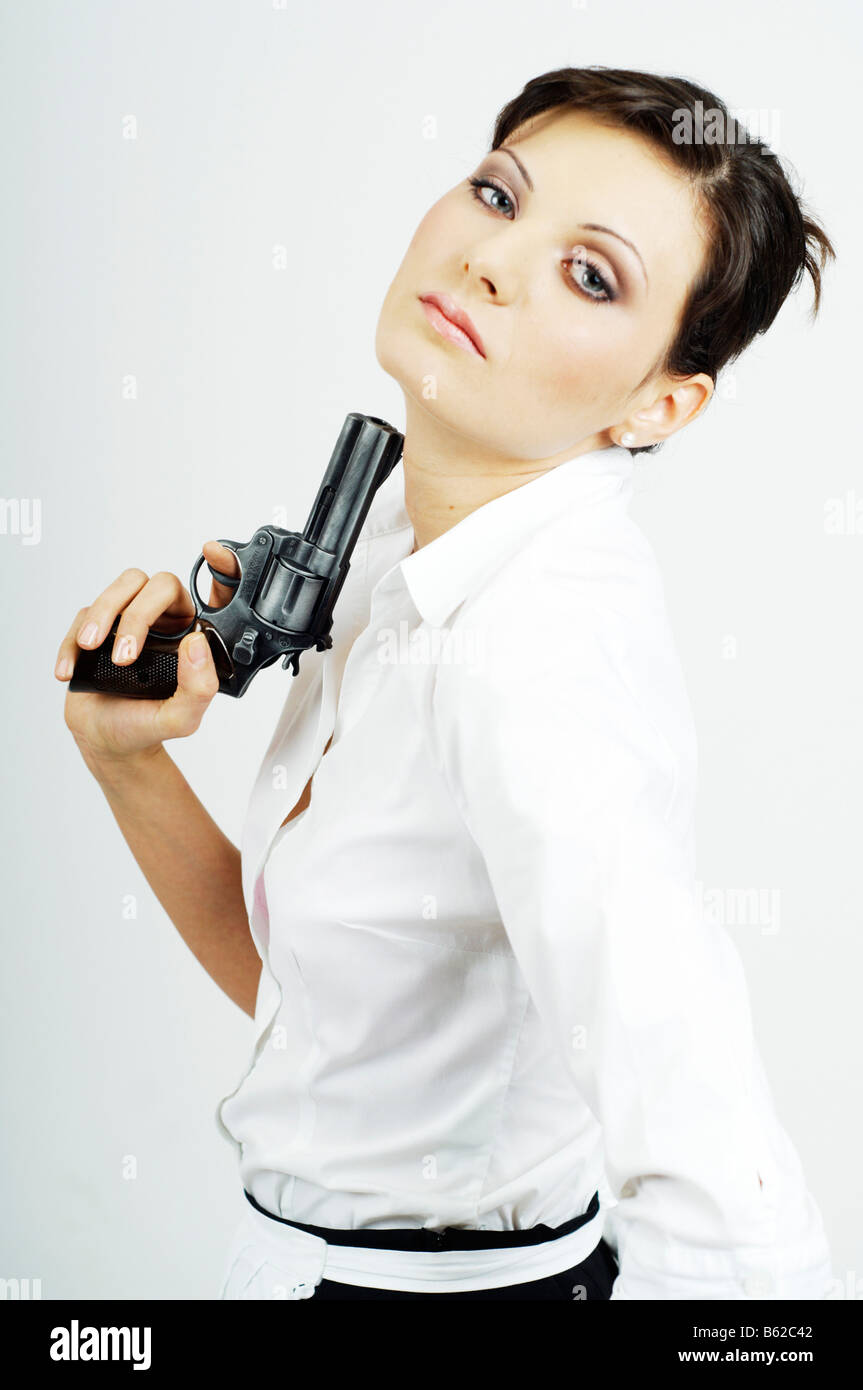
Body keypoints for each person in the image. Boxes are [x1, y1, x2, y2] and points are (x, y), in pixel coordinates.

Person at [56, 66, 836, 1300]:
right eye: (495, 193)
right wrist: (126, 756)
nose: (490, 259)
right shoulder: (395, 541)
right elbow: (323, 1013)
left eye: (591, 273)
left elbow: (719, 1179)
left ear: (658, 403)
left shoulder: (537, 645)